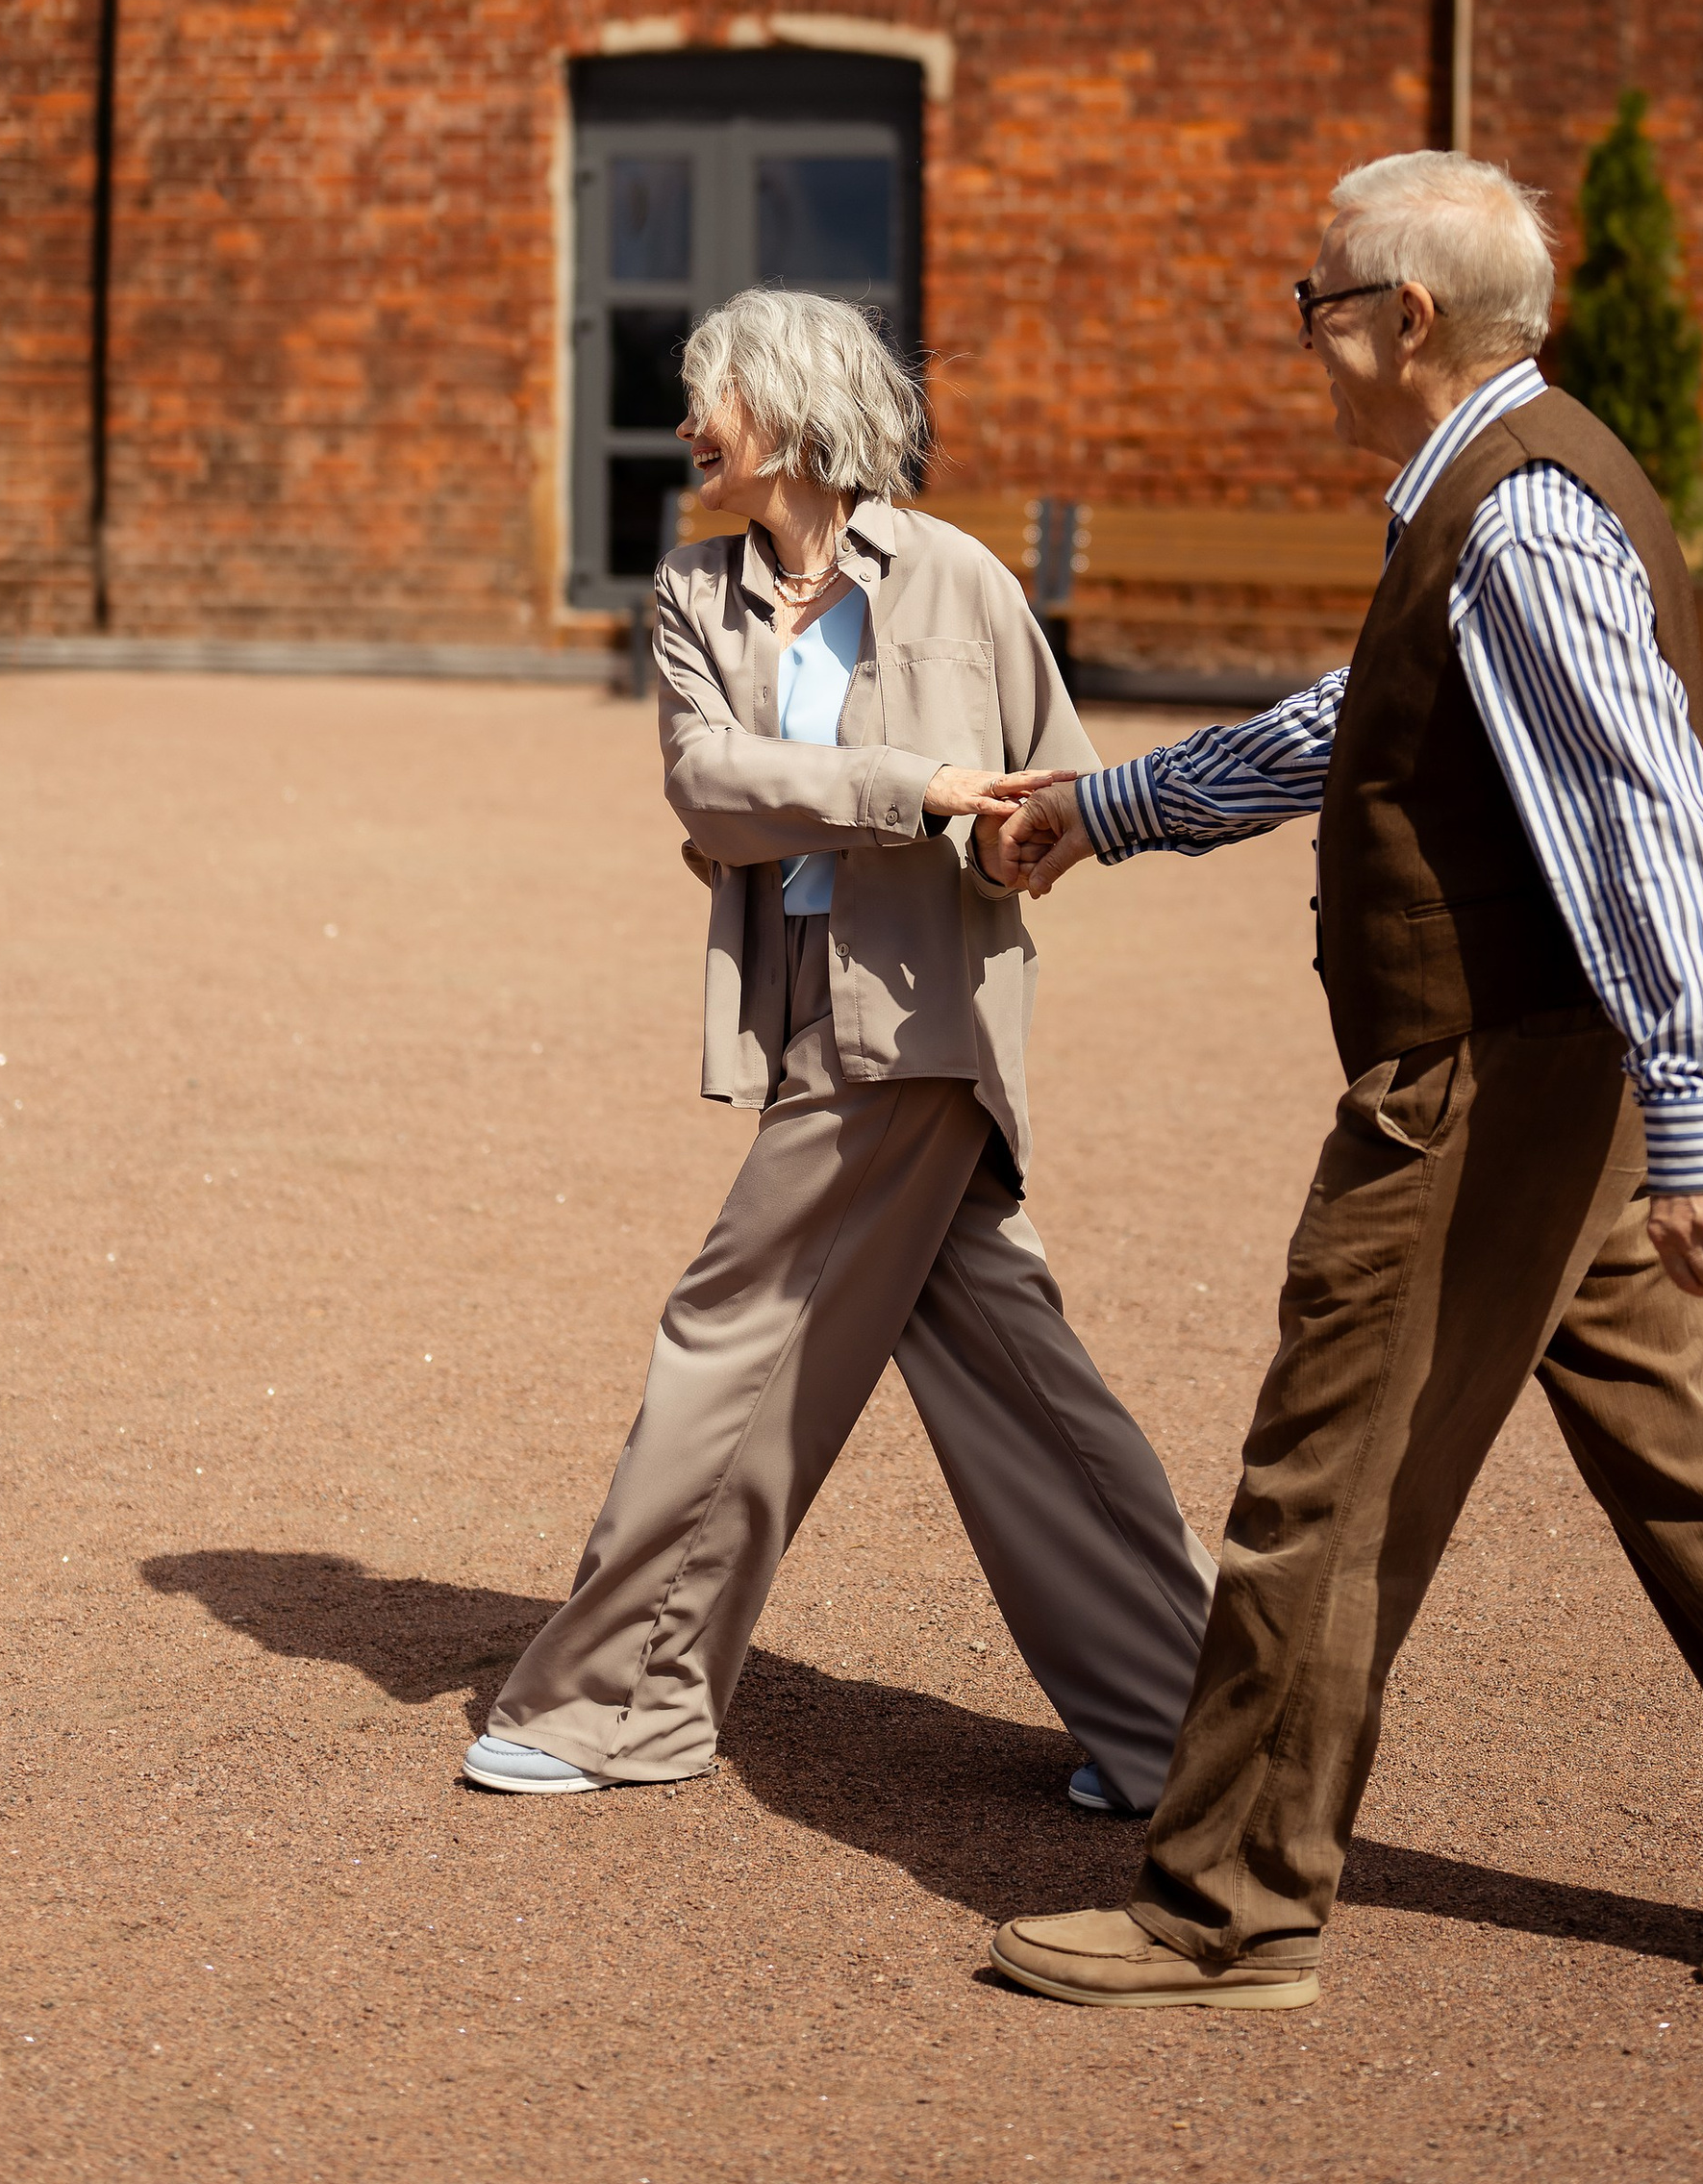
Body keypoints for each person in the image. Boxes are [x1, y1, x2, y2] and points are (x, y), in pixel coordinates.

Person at [985, 151, 1703, 2009]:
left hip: (1485, 1083)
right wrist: (1118, 805)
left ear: (1405, 319)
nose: (1304, 337)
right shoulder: (1513, 487)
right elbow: (1370, 723)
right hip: (1555, 1082)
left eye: (1317, 302)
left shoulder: (1518, 517)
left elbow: (1646, 815)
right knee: (1689, 1475)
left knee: (1328, 1480)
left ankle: (1225, 1908)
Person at [465, 287, 1213, 1810]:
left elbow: (1054, 788)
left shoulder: (958, 578)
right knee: (1014, 1377)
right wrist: (913, 786)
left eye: (713, 397)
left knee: (735, 1326)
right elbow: (710, 781)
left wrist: (1006, 837)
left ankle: (621, 1702)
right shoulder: (695, 592)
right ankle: (1201, 1727)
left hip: (919, 1011)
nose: (689, 425)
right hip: (802, 996)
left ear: (796, 411)